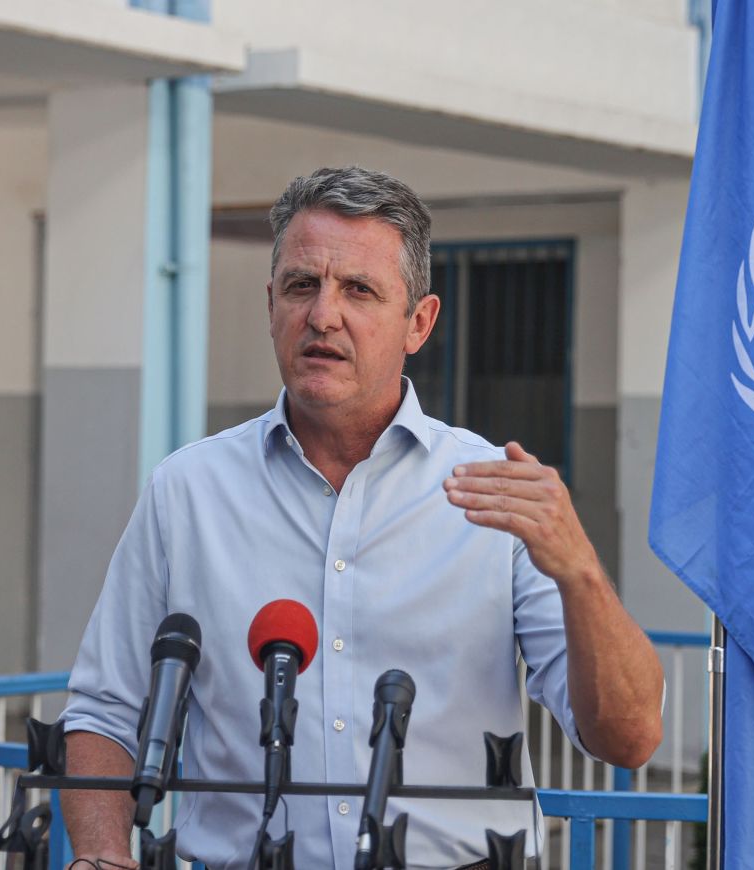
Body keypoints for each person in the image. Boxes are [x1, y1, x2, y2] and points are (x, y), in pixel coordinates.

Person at [60, 166, 664, 869]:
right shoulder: (186, 491)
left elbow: (629, 739)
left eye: (359, 291)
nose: (323, 315)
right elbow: (105, 711)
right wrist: (103, 855)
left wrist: (581, 573)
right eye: (301, 285)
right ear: (271, 304)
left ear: (419, 322)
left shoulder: (496, 495)